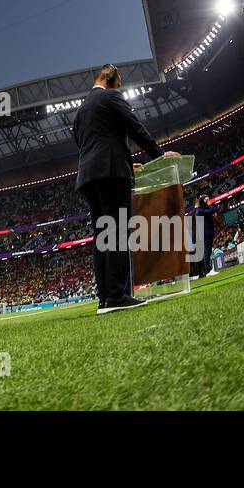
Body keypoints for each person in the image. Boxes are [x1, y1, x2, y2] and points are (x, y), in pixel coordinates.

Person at [71, 63, 180, 313]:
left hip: (89, 177)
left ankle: (105, 298)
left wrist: (127, 162)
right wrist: (160, 156)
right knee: (118, 231)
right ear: (110, 77)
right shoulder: (111, 96)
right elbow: (135, 128)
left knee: (102, 236)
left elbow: (90, 143)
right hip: (111, 174)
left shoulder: (81, 110)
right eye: (118, 82)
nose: (119, 86)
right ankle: (118, 296)